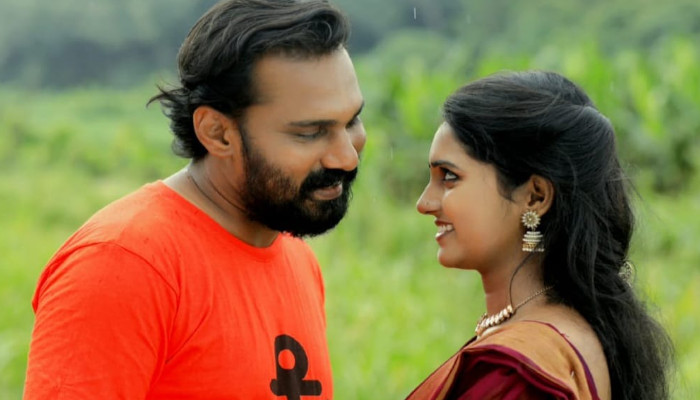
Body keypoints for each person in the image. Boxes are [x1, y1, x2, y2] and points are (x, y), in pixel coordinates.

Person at [24, 0, 365, 398]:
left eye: (352, 121)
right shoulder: (122, 266)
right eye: (309, 133)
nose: (347, 157)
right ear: (217, 133)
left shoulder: (295, 256)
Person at [407, 71, 673, 400]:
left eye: (449, 176)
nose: (424, 203)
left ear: (535, 196)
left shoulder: (518, 373)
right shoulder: (569, 330)